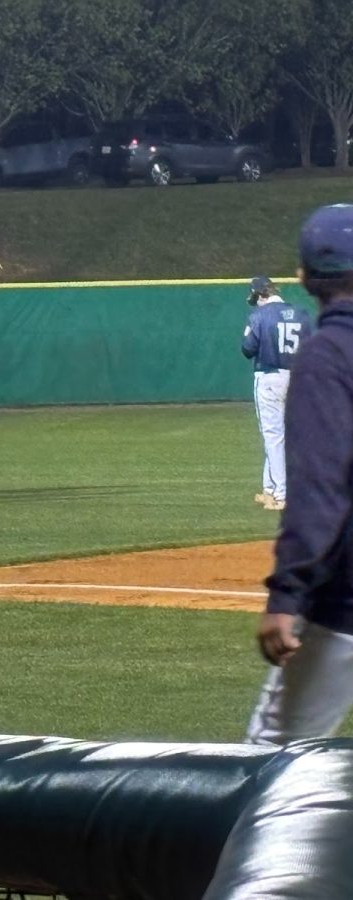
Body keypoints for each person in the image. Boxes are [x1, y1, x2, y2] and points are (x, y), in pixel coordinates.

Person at [246, 203, 353, 745]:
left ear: (305, 277)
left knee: (269, 766)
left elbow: (320, 489)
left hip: (342, 608)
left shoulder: (328, 355)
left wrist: (287, 595)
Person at [241, 275, 312, 511]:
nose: (255, 301)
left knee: (273, 437)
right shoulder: (301, 314)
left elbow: (247, 349)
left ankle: (282, 494)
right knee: (283, 436)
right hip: (297, 377)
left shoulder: (260, 316)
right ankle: (269, 490)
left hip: (270, 376)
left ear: (262, 294)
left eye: (255, 297)